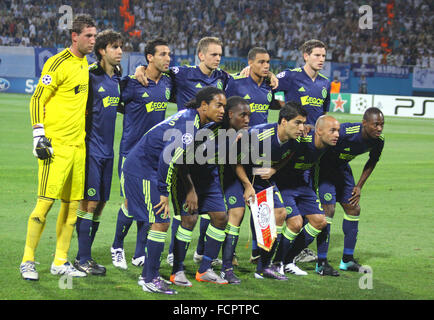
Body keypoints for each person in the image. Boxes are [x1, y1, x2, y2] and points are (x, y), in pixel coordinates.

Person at [122, 86, 226, 295]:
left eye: (224, 105)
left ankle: (151, 274)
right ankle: (149, 278)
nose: (222, 110)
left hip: (146, 168)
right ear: (204, 106)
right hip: (143, 169)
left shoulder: (194, 121)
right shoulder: (189, 126)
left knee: (160, 222)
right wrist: (163, 192)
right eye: (218, 105)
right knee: (160, 222)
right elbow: (166, 158)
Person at [20, 14, 97, 281]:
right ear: (74, 36)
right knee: (44, 204)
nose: (92, 40)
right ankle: (28, 259)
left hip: (78, 148)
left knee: (72, 207)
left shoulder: (86, 63)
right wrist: (38, 136)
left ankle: (60, 261)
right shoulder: (57, 62)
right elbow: (37, 98)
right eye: (88, 36)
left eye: (94, 36)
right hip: (55, 147)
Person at [110, 38, 173, 270]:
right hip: (131, 152)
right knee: (131, 200)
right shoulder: (132, 83)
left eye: (169, 54)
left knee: (152, 203)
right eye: (163, 54)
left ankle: (139, 252)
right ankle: (117, 246)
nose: (168, 58)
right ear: (149, 57)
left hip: (155, 154)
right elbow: (116, 105)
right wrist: (137, 71)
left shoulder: (168, 81)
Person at [235, 102, 308, 280]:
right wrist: (247, 185)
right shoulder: (258, 135)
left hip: (258, 176)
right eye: (297, 123)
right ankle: (219, 262)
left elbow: (288, 156)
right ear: (283, 121)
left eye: (303, 123)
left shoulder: (295, 141)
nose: (301, 128)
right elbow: (234, 161)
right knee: (233, 217)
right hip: (238, 176)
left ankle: (263, 267)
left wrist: (274, 169)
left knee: (279, 213)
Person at [274, 39, 331, 263]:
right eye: (317, 55)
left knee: (309, 192)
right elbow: (269, 84)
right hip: (292, 145)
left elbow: (324, 115)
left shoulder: (325, 83)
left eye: (324, 56)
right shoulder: (290, 76)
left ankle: (297, 248)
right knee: (285, 190)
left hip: (314, 149)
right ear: (305, 56)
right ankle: (271, 245)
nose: (321, 60)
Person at [224, 47, 281, 264]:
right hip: (236, 150)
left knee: (260, 205)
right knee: (234, 206)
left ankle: (258, 251)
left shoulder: (268, 86)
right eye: (261, 62)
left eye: (268, 62)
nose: (266, 66)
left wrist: (273, 77)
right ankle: (225, 252)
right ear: (250, 63)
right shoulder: (236, 83)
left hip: (261, 152)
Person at [74, 29, 123, 276]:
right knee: (89, 203)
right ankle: (82, 258)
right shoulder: (90, 76)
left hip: (108, 152)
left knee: (101, 204)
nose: (120, 51)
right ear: (102, 50)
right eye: (115, 47)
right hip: (90, 150)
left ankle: (86, 255)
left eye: (121, 47)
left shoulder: (117, 79)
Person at [315, 107, 384, 275]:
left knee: (354, 208)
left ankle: (347, 260)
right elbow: (320, 139)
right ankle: (321, 262)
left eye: (382, 125)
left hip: (342, 170)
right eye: (376, 125)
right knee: (328, 210)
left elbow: (372, 162)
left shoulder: (378, 141)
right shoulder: (346, 131)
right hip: (323, 168)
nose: (379, 128)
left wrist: (359, 185)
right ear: (364, 123)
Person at [272, 115, 340, 276]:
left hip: (301, 185)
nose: (337, 134)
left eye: (337, 130)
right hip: (284, 185)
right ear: (319, 131)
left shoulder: (328, 144)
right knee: (296, 223)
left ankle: (288, 260)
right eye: (333, 130)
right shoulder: (300, 141)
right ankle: (276, 262)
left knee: (319, 221)